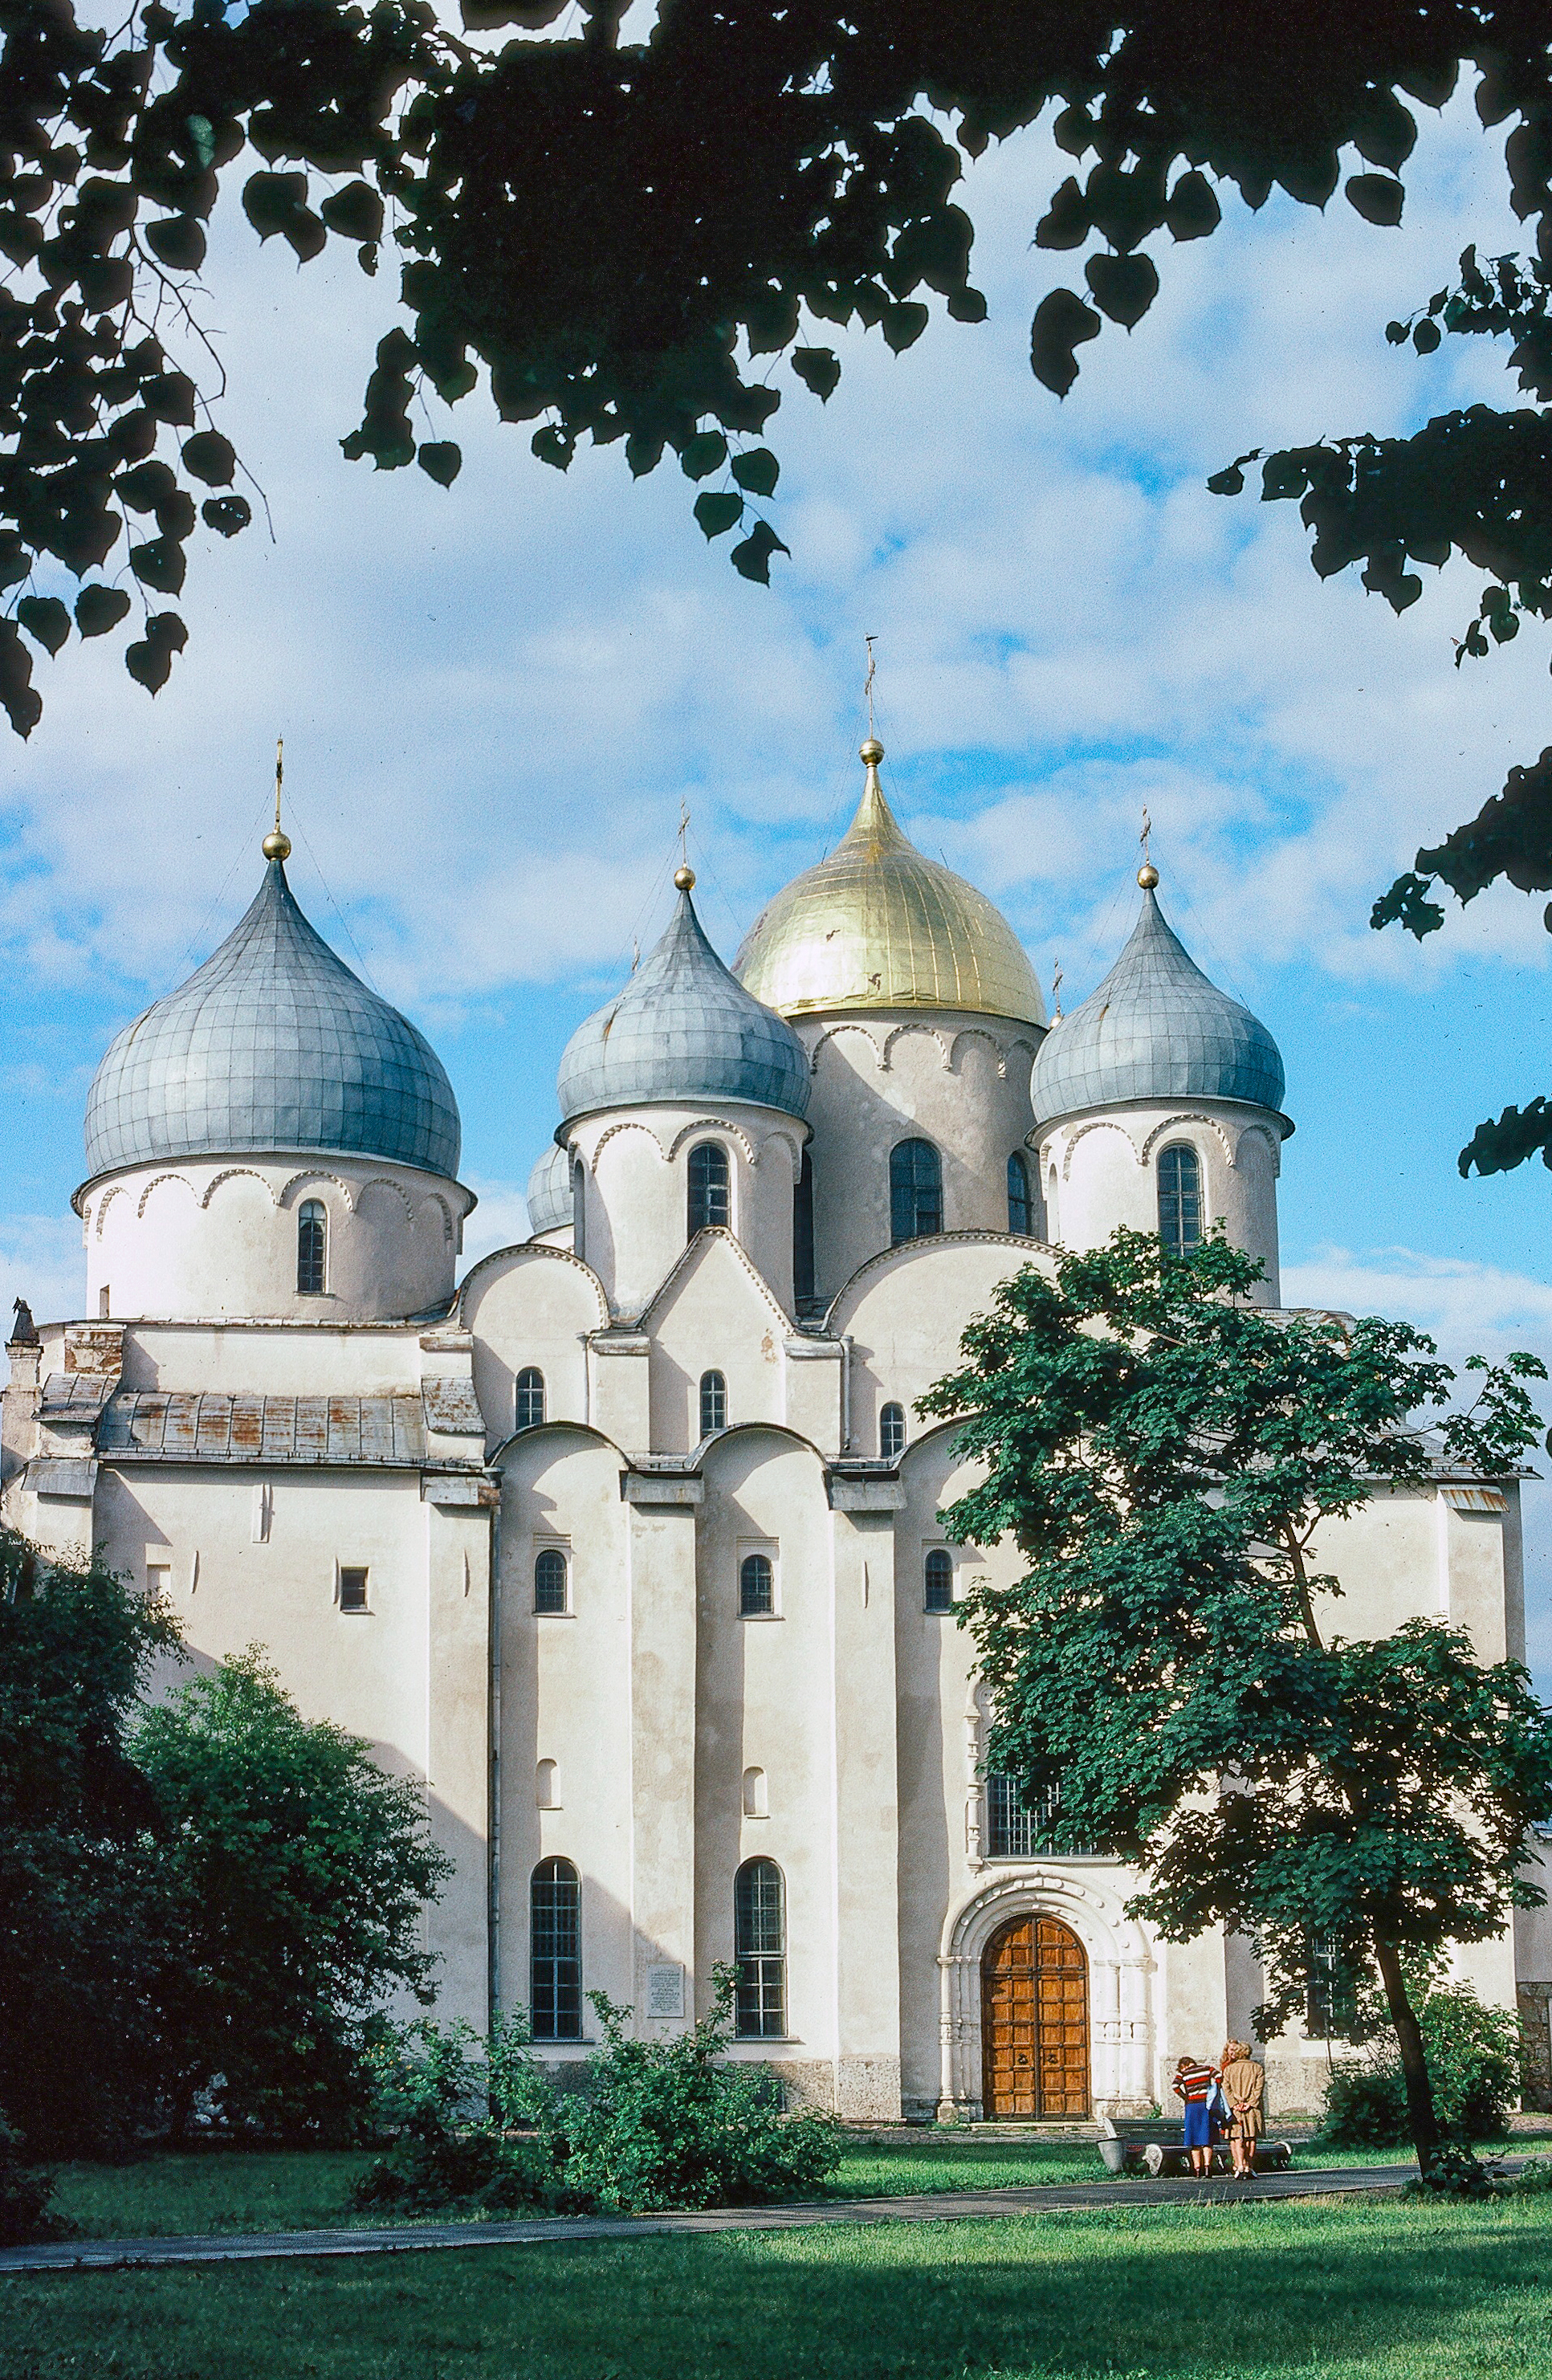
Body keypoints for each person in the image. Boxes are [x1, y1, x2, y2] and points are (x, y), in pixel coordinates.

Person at [1220, 2040, 1266, 2178]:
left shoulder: (1229, 2069)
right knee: (1251, 2137)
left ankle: (1239, 2166)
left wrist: (1234, 2104)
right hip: (1252, 2109)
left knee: (1236, 2137)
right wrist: (1250, 2103)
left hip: (1235, 2110)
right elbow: (1259, 2089)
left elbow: (1226, 2088)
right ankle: (1248, 2166)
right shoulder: (1257, 2068)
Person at [1172, 2052, 1219, 2176]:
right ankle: (1208, 2168)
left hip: (1192, 2106)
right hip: (1206, 2105)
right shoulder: (1207, 2068)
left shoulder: (1183, 2073)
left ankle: (1197, 2170)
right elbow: (1219, 2076)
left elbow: (1175, 2086)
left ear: (1184, 2065)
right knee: (1207, 2138)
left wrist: (1186, 2097)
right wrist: (1213, 2091)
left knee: (1194, 2140)